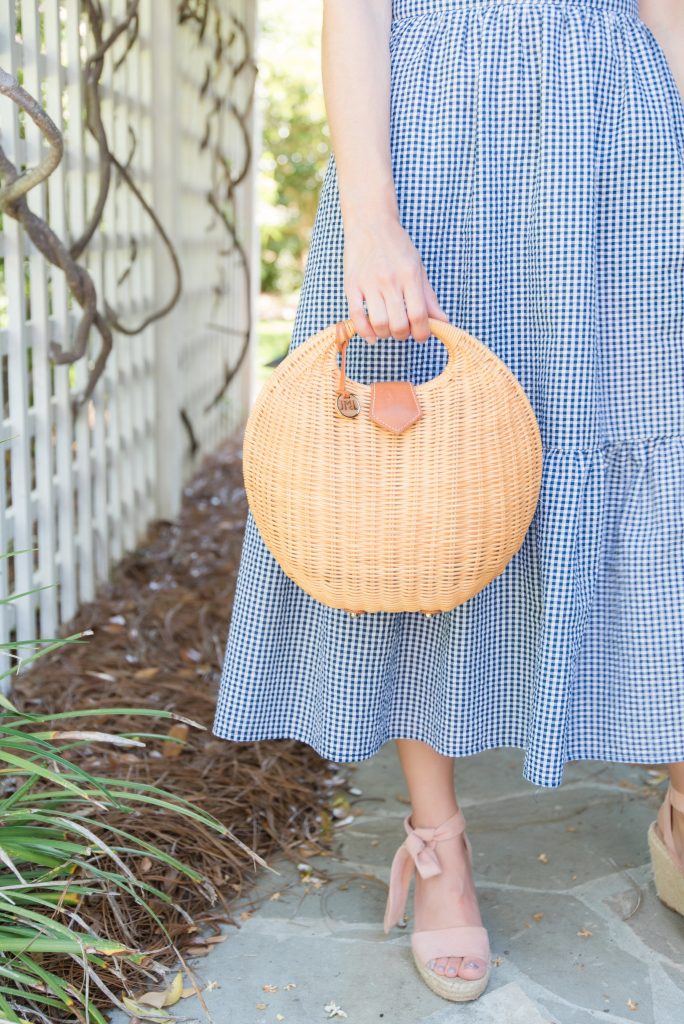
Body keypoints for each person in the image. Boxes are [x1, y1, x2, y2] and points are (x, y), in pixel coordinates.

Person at [213, 0, 684, 1002]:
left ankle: (681, 796)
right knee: (416, 488)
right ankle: (438, 840)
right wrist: (372, 216)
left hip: (622, 131)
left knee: (656, 445)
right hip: (436, 137)